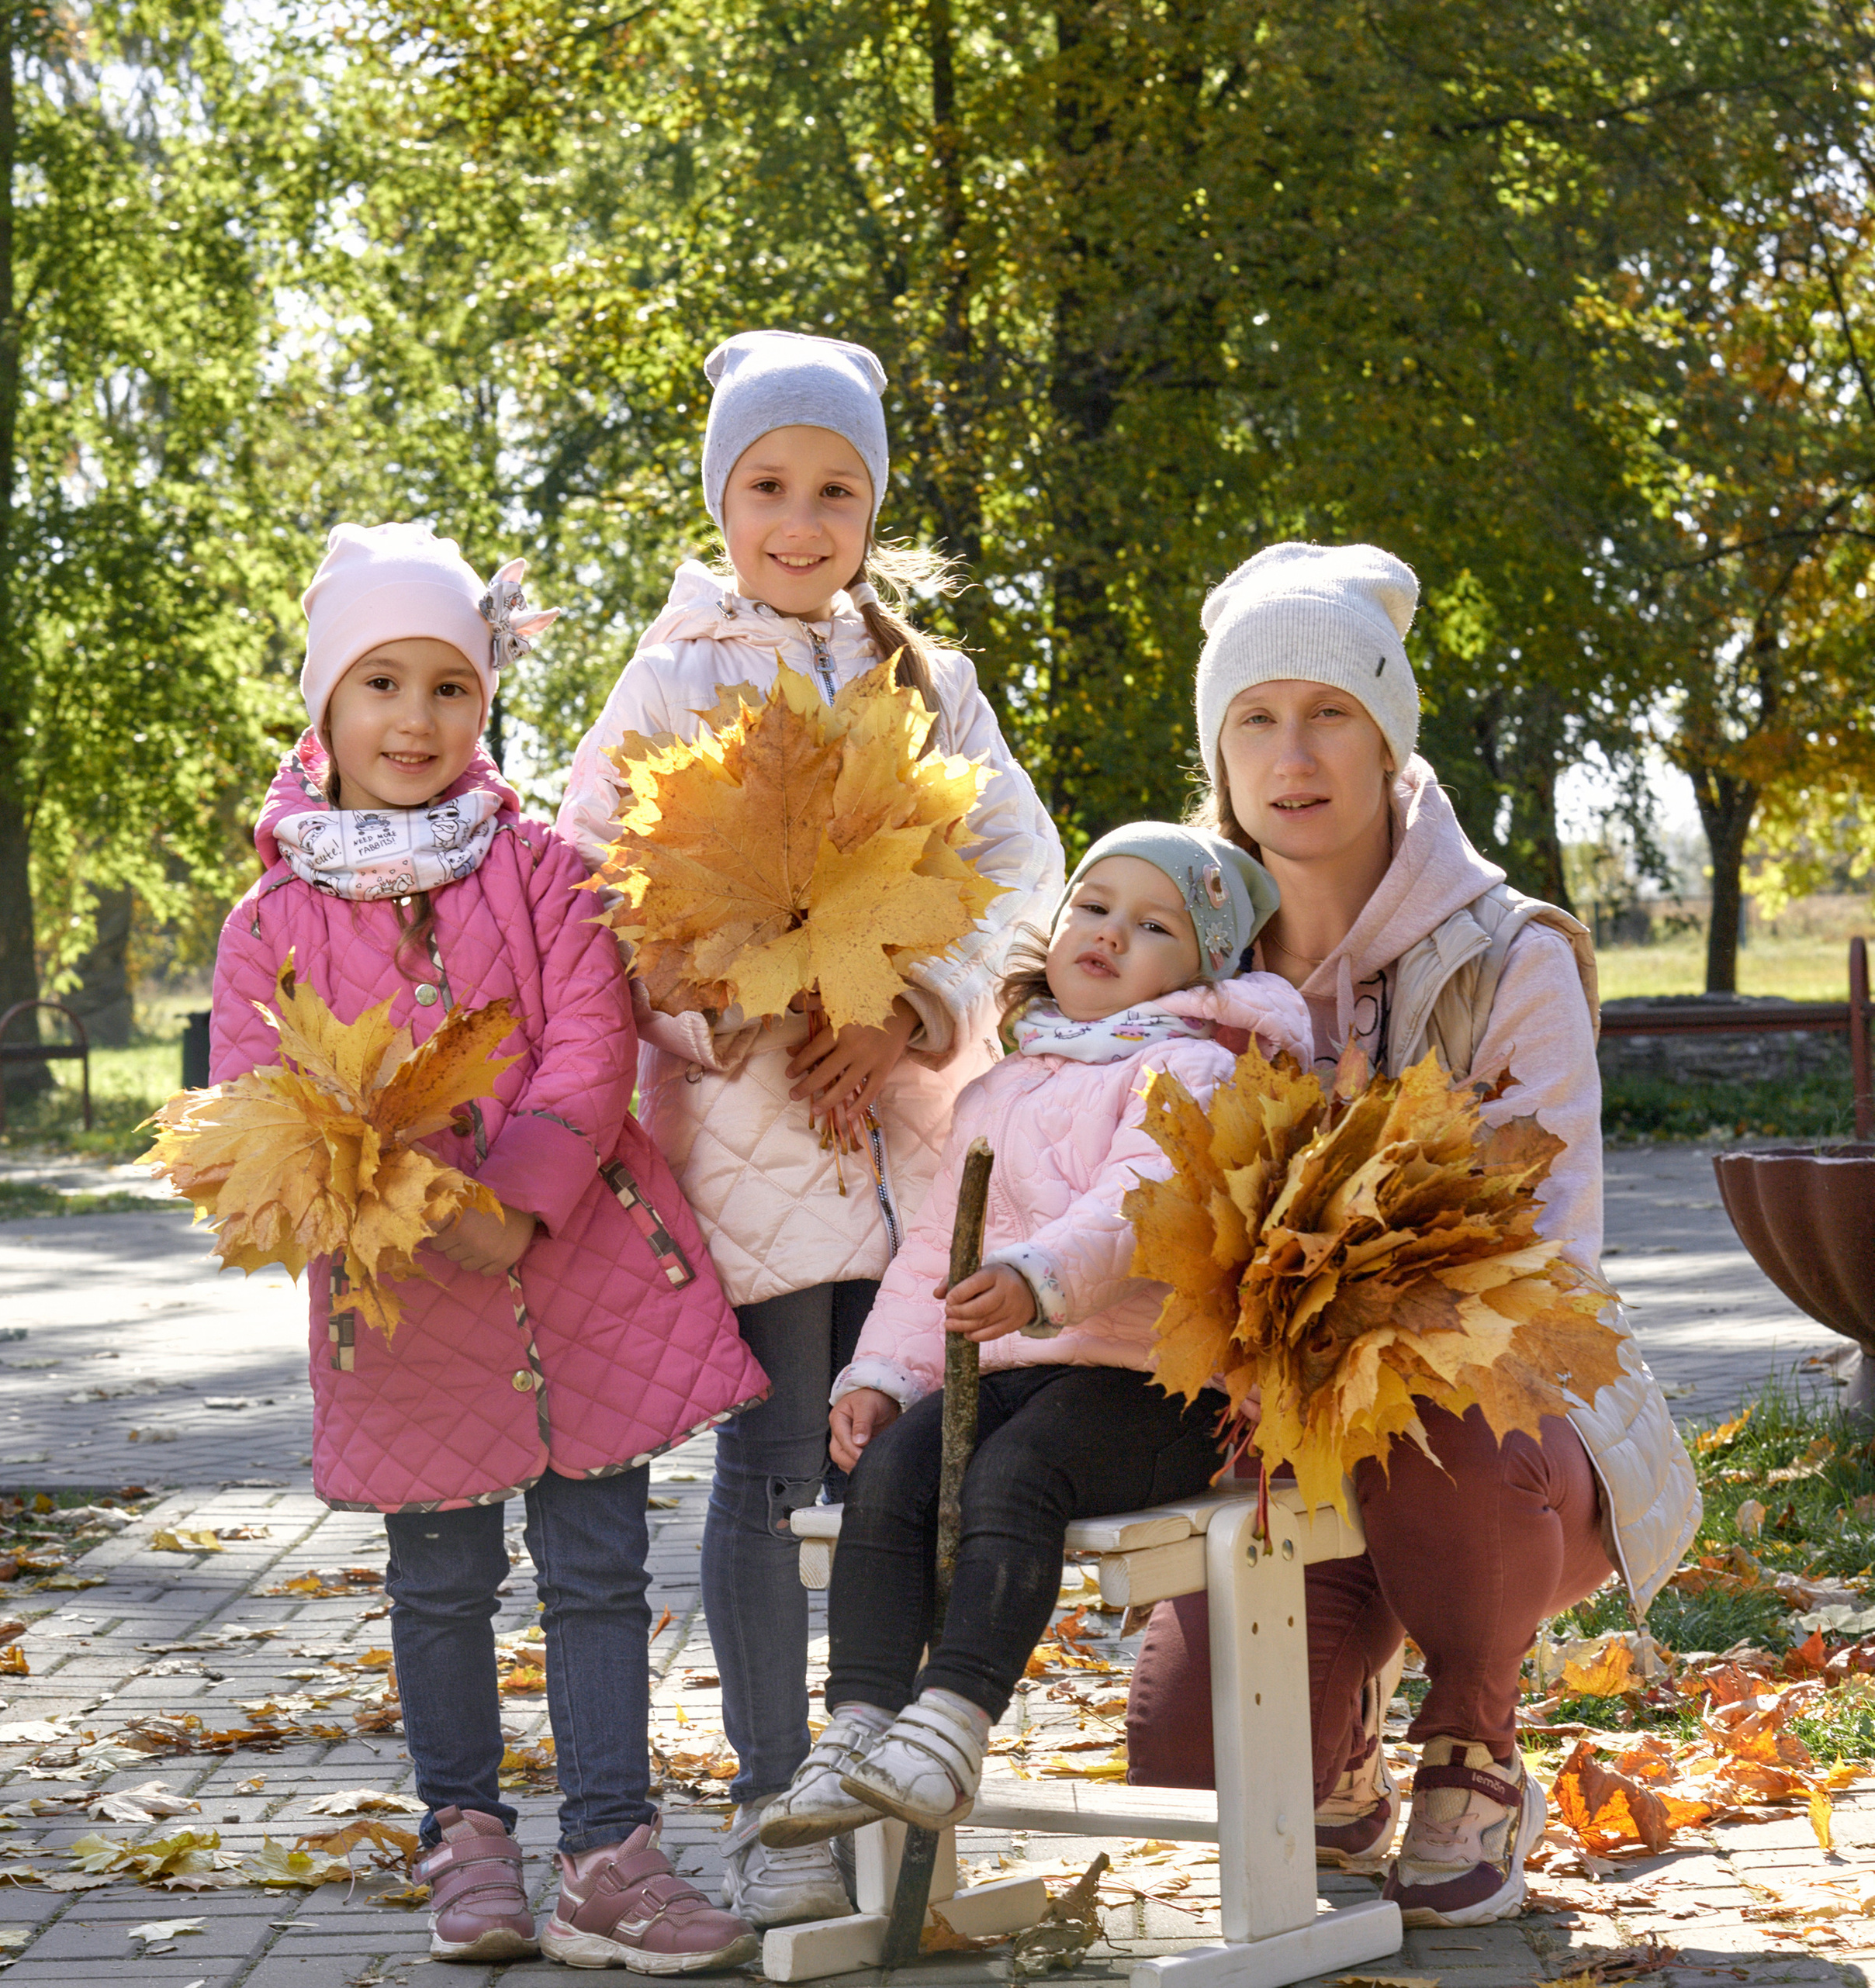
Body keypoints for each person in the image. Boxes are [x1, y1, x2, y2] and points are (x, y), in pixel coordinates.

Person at [557, 330, 1064, 1925]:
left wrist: (909, 1002)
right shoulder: (667, 674)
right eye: (766, 485)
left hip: (903, 1135)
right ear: (720, 499)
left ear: (870, 506)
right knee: (775, 1462)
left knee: (907, 1452)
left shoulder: (928, 680)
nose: (799, 519)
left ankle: (887, 1796)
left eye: (834, 489)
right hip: (750, 1136)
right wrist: (744, 1004)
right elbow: (594, 899)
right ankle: (774, 1794)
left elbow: (1017, 870)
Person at [211, 522, 767, 1973]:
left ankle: (608, 1848)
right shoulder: (272, 916)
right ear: (325, 705)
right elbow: (252, 1102)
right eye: (382, 684)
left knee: (595, 1565)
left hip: (572, 1268)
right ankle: (464, 1832)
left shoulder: (540, 868)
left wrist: (514, 1195)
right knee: (441, 1579)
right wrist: (392, 1199)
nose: (416, 719)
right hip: (403, 1306)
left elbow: (589, 1040)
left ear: (488, 700)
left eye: (449, 686)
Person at [1122, 541, 1701, 1928]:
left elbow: (1551, 1270)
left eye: (1329, 712)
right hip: (1270, 1434)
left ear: (1390, 736)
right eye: (1254, 718)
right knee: (1187, 1763)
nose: (1292, 753)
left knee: (1446, 1413)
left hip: (1496, 1435)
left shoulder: (1511, 954)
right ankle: (1343, 1744)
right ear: (1218, 752)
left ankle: (1477, 1734)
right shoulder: (1178, 951)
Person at [751, 825, 1312, 1845]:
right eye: (1093, 907)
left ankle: (954, 1722)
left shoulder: (1190, 1068)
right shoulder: (1004, 1086)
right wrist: (880, 1373)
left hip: (1154, 1389)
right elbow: (934, 1256)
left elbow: (1141, 1204)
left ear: (1203, 971)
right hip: (1017, 1374)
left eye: (1153, 926)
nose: (1108, 935)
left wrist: (1034, 1278)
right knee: (891, 1469)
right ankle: (862, 1727)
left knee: (1014, 1477)